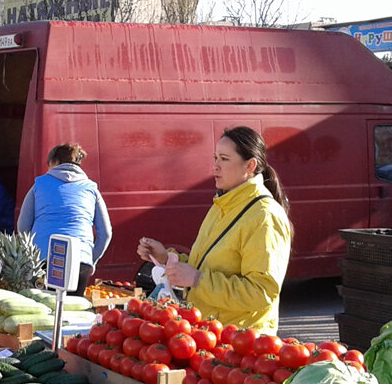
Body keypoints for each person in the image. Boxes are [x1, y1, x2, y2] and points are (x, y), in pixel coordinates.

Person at [137, 126, 292, 333]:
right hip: (211, 335)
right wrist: (167, 258)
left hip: (242, 344)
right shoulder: (222, 205)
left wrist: (197, 280)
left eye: (224, 159)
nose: (215, 166)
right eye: (215, 158)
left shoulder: (264, 216)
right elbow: (204, 266)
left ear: (250, 166)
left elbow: (261, 293)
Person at [17, 143, 111, 294]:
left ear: (55, 162)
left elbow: (23, 226)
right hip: (80, 260)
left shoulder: (39, 184)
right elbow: (106, 233)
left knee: (43, 310)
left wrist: (28, 255)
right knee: (73, 312)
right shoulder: (91, 189)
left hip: (42, 258)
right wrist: (90, 260)